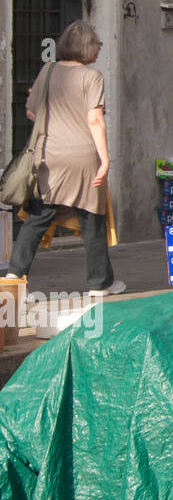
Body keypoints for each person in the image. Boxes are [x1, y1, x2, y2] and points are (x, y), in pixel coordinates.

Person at [6, 21, 122, 296]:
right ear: (88, 48)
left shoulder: (47, 71)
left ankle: (14, 274)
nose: (98, 51)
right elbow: (95, 119)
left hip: (49, 156)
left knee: (37, 217)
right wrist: (105, 160)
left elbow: (32, 113)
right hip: (83, 159)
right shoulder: (92, 77)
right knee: (91, 219)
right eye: (97, 45)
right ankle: (99, 284)